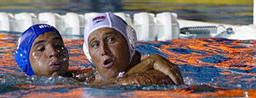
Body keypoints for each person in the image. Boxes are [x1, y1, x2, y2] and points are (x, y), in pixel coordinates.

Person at [14, 21, 182, 86]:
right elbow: (116, 84)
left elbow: (113, 79)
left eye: (58, 45)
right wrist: (149, 61)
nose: (53, 53)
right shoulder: (20, 88)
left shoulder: (82, 77)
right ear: (24, 61)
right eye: (41, 48)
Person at [83, 13, 183, 86]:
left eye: (111, 40)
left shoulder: (153, 76)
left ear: (130, 41)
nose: (103, 50)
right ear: (88, 54)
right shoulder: (91, 76)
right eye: (95, 44)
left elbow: (112, 85)